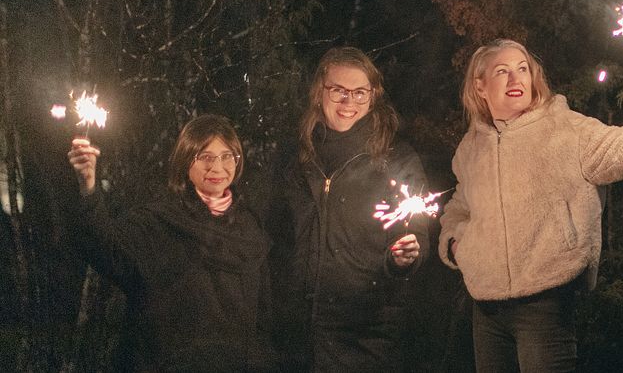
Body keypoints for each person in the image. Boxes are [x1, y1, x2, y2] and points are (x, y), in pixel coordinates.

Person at [439, 39, 623, 372]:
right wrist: (456, 245)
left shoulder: (567, 129)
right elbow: (458, 208)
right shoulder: (471, 147)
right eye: (502, 71)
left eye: (523, 69)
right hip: (486, 309)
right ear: (480, 86)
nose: (516, 79)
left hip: (546, 305)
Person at [68, 114, 277, 372]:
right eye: (205, 157)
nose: (218, 167)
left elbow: (263, 320)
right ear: (186, 161)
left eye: (227, 157)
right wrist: (88, 188)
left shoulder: (249, 226)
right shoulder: (161, 220)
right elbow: (107, 250)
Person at [268, 46, 429, 372]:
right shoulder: (294, 157)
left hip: (365, 333)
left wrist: (403, 258)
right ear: (319, 92)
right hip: (296, 333)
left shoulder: (395, 159)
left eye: (359, 93)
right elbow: (272, 230)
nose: (348, 102)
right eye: (339, 91)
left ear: (373, 96)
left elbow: (417, 232)